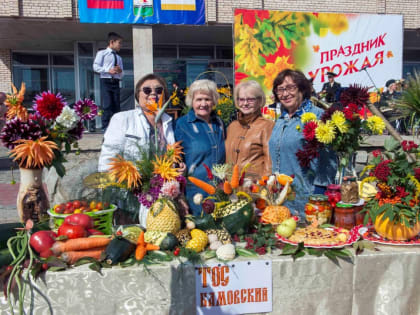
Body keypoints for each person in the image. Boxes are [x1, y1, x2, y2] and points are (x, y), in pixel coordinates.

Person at [98, 73, 178, 225]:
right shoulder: (123, 119)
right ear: (138, 95)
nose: (153, 93)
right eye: (147, 90)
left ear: (165, 96)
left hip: (161, 196)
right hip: (129, 196)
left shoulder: (170, 123)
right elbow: (108, 159)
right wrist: (111, 194)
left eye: (159, 90)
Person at [268, 69, 337, 216]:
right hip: (280, 199)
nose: (285, 94)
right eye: (280, 90)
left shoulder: (318, 116)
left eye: (291, 88)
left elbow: (329, 161)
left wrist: (318, 197)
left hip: (306, 200)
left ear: (302, 89)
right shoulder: (281, 120)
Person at [174, 79, 225, 215]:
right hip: (195, 194)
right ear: (192, 101)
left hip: (220, 192)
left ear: (213, 101)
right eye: (199, 99)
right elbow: (176, 160)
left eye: (207, 99)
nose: (203, 104)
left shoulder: (219, 123)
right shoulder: (183, 124)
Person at [225, 80, 274, 177]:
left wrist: (266, 187)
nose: (245, 103)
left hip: (254, 187)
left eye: (250, 99)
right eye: (241, 99)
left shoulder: (267, 126)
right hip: (230, 186)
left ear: (259, 101)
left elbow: (270, 163)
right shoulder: (232, 126)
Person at [93, 32, 124, 131]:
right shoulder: (102, 53)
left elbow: (122, 74)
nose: (120, 45)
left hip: (115, 82)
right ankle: (105, 127)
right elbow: (95, 67)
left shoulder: (119, 58)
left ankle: (117, 126)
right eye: (119, 43)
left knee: (116, 104)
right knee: (107, 104)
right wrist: (107, 70)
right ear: (112, 42)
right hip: (106, 81)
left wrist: (119, 71)